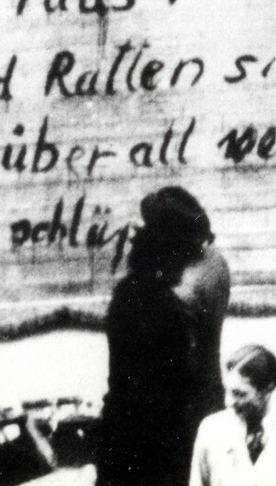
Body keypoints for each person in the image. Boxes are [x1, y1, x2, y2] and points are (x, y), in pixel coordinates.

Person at [99, 207, 214, 486]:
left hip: (121, 434)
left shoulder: (125, 294)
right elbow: (178, 380)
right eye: (185, 260)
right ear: (169, 256)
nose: (186, 269)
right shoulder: (165, 307)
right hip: (157, 444)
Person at [146, 186, 235, 416]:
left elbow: (180, 360)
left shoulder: (184, 289)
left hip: (184, 402)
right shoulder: (215, 258)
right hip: (210, 389)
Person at [189, 345, 276, 486]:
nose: (228, 402)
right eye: (227, 391)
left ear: (268, 389)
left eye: (240, 394)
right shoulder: (211, 430)